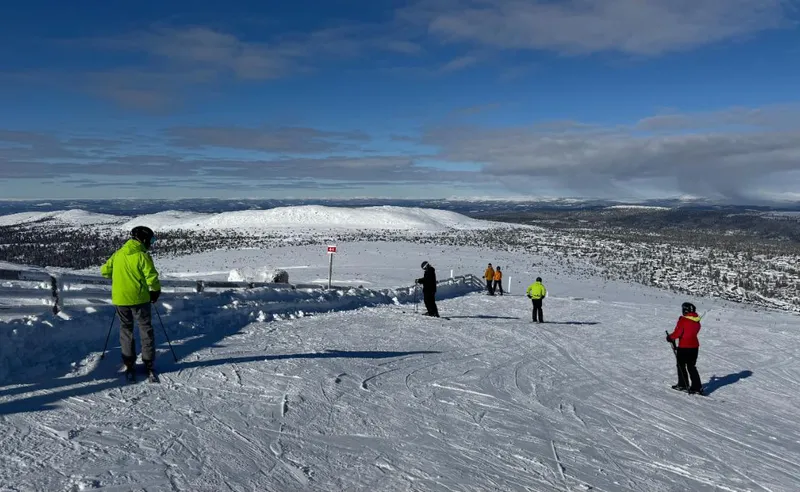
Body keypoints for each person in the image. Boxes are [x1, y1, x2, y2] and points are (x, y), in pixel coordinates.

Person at [101, 226, 162, 375]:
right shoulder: (142, 255)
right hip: (140, 298)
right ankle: (148, 362)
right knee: (145, 328)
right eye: (151, 240)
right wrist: (155, 291)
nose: (151, 243)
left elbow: (105, 271)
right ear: (144, 239)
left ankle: (129, 361)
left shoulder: (118, 254)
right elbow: (151, 277)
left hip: (120, 299)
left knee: (126, 329)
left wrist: (120, 277)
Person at [666, 302, 703, 395]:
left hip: (684, 347)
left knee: (681, 365)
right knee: (691, 367)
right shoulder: (697, 321)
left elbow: (678, 333)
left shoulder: (683, 320)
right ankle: (697, 387)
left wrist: (670, 337)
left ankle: (683, 384)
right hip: (694, 346)